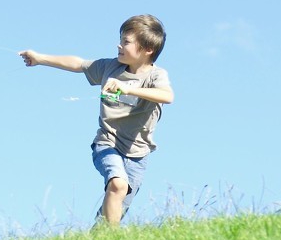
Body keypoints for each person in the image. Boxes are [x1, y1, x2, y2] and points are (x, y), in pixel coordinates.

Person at [18, 14, 174, 226]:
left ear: (148, 50)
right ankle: (111, 239)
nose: (118, 45)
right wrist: (40, 58)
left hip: (138, 155)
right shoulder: (110, 68)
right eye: (120, 39)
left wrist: (129, 88)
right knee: (118, 185)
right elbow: (78, 64)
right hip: (107, 144)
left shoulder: (156, 76)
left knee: (115, 209)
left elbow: (167, 96)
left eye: (126, 42)